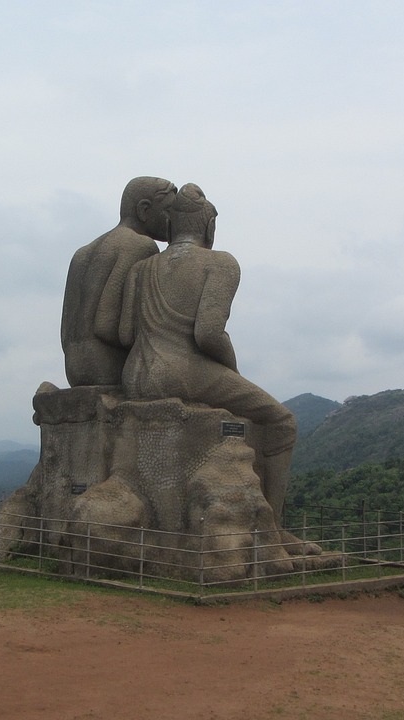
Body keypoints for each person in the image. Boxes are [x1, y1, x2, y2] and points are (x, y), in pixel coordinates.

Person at [119, 184, 298, 518]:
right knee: (282, 422)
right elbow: (209, 334)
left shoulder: (140, 270)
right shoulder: (221, 263)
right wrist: (231, 371)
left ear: (170, 225)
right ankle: (272, 526)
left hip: (135, 374)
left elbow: (125, 333)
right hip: (183, 371)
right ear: (209, 225)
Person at [61, 176, 177, 387]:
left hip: (75, 369)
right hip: (109, 368)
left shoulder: (82, 253)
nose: (173, 220)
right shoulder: (141, 246)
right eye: (169, 211)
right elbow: (108, 326)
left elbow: (67, 330)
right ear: (144, 210)